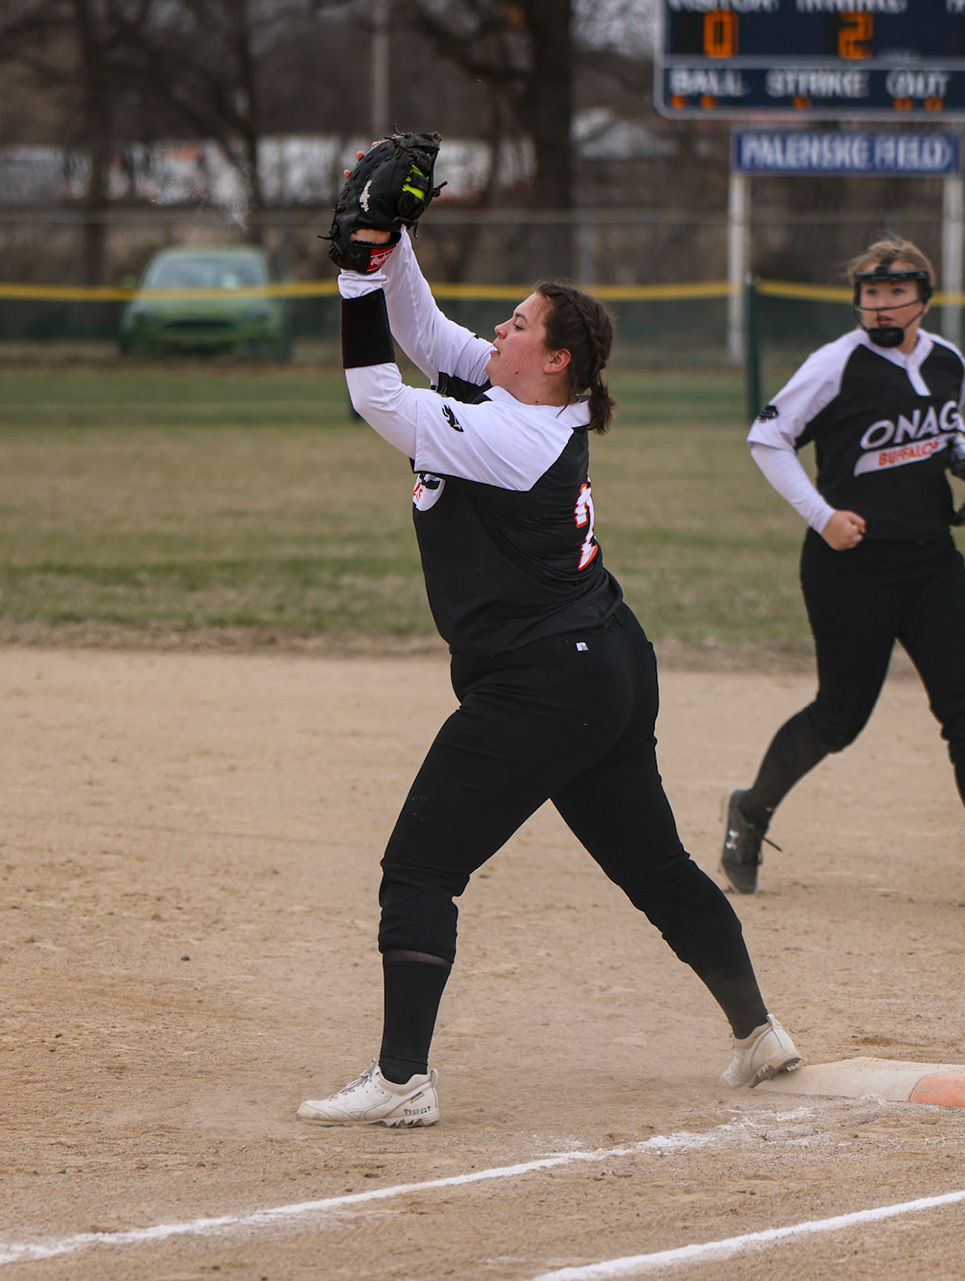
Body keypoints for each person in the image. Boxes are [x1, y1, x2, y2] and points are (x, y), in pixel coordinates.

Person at [296, 166, 801, 1129]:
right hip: (601, 662)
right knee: (654, 868)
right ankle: (758, 1033)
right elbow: (425, 331)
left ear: (559, 359)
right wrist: (389, 242)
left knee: (421, 867)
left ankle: (402, 1080)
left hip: (543, 682)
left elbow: (375, 389)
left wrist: (359, 276)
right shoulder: (515, 400)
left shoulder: (515, 438)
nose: (501, 329)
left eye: (521, 324)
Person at [722, 237, 965, 910]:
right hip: (851, 566)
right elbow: (768, 436)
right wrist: (822, 516)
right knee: (839, 716)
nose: (879, 305)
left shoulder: (947, 363)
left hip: (932, 560)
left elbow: (943, 426)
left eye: (894, 293)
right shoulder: (836, 364)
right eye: (870, 293)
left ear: (923, 300)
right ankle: (751, 811)